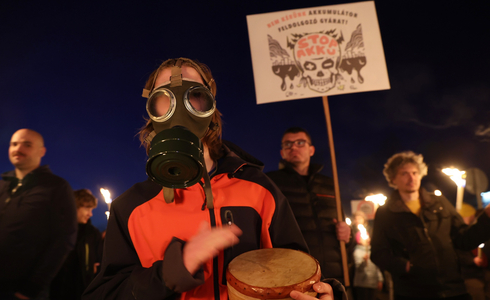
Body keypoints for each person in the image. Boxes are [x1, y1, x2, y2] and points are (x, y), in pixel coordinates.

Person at [82, 58, 345, 300]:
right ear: (152, 110)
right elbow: (103, 293)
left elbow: (299, 272)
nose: (180, 108)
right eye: (165, 96)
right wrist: (170, 273)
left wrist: (323, 292)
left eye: (194, 94)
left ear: (210, 107)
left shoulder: (259, 190)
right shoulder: (130, 207)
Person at [370, 151, 490, 300]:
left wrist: (487, 218)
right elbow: (378, 253)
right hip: (413, 293)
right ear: (393, 178)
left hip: (453, 289)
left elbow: (463, 239)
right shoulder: (386, 212)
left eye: (415, 172)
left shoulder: (439, 203)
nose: (411, 177)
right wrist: (406, 266)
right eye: (404, 173)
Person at [0, 128, 77, 300]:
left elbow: (64, 240)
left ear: (41, 151)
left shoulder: (57, 188)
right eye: (14, 144)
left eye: (27, 144)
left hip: (19, 292)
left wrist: (31, 289)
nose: (18, 149)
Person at [266, 127, 355, 285]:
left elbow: (344, 228)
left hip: (334, 275)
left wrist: (348, 235)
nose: (293, 147)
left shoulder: (329, 184)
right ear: (282, 153)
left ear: (311, 150)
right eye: (288, 144)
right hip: (292, 275)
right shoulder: (271, 183)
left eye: (300, 143)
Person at [50, 189, 102, 300]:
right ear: (74, 206)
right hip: (57, 292)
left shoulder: (93, 233)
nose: (90, 214)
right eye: (87, 208)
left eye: (92, 209)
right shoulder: (57, 230)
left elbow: (97, 261)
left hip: (83, 292)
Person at [351, 211, 383, 300]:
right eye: (356, 218)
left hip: (373, 282)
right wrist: (364, 262)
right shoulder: (357, 251)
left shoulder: (372, 250)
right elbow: (359, 268)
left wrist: (380, 279)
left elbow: (377, 266)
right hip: (362, 283)